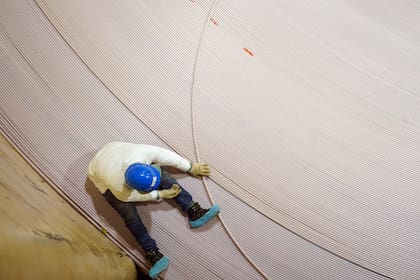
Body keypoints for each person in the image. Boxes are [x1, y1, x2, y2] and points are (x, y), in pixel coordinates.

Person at [88, 142, 220, 279]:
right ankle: (152, 253)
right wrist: (161, 194)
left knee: (165, 176)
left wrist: (191, 167)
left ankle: (194, 211)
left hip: (115, 148)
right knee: (129, 215)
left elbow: (167, 156)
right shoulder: (119, 188)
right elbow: (133, 196)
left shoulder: (144, 152)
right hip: (98, 171)